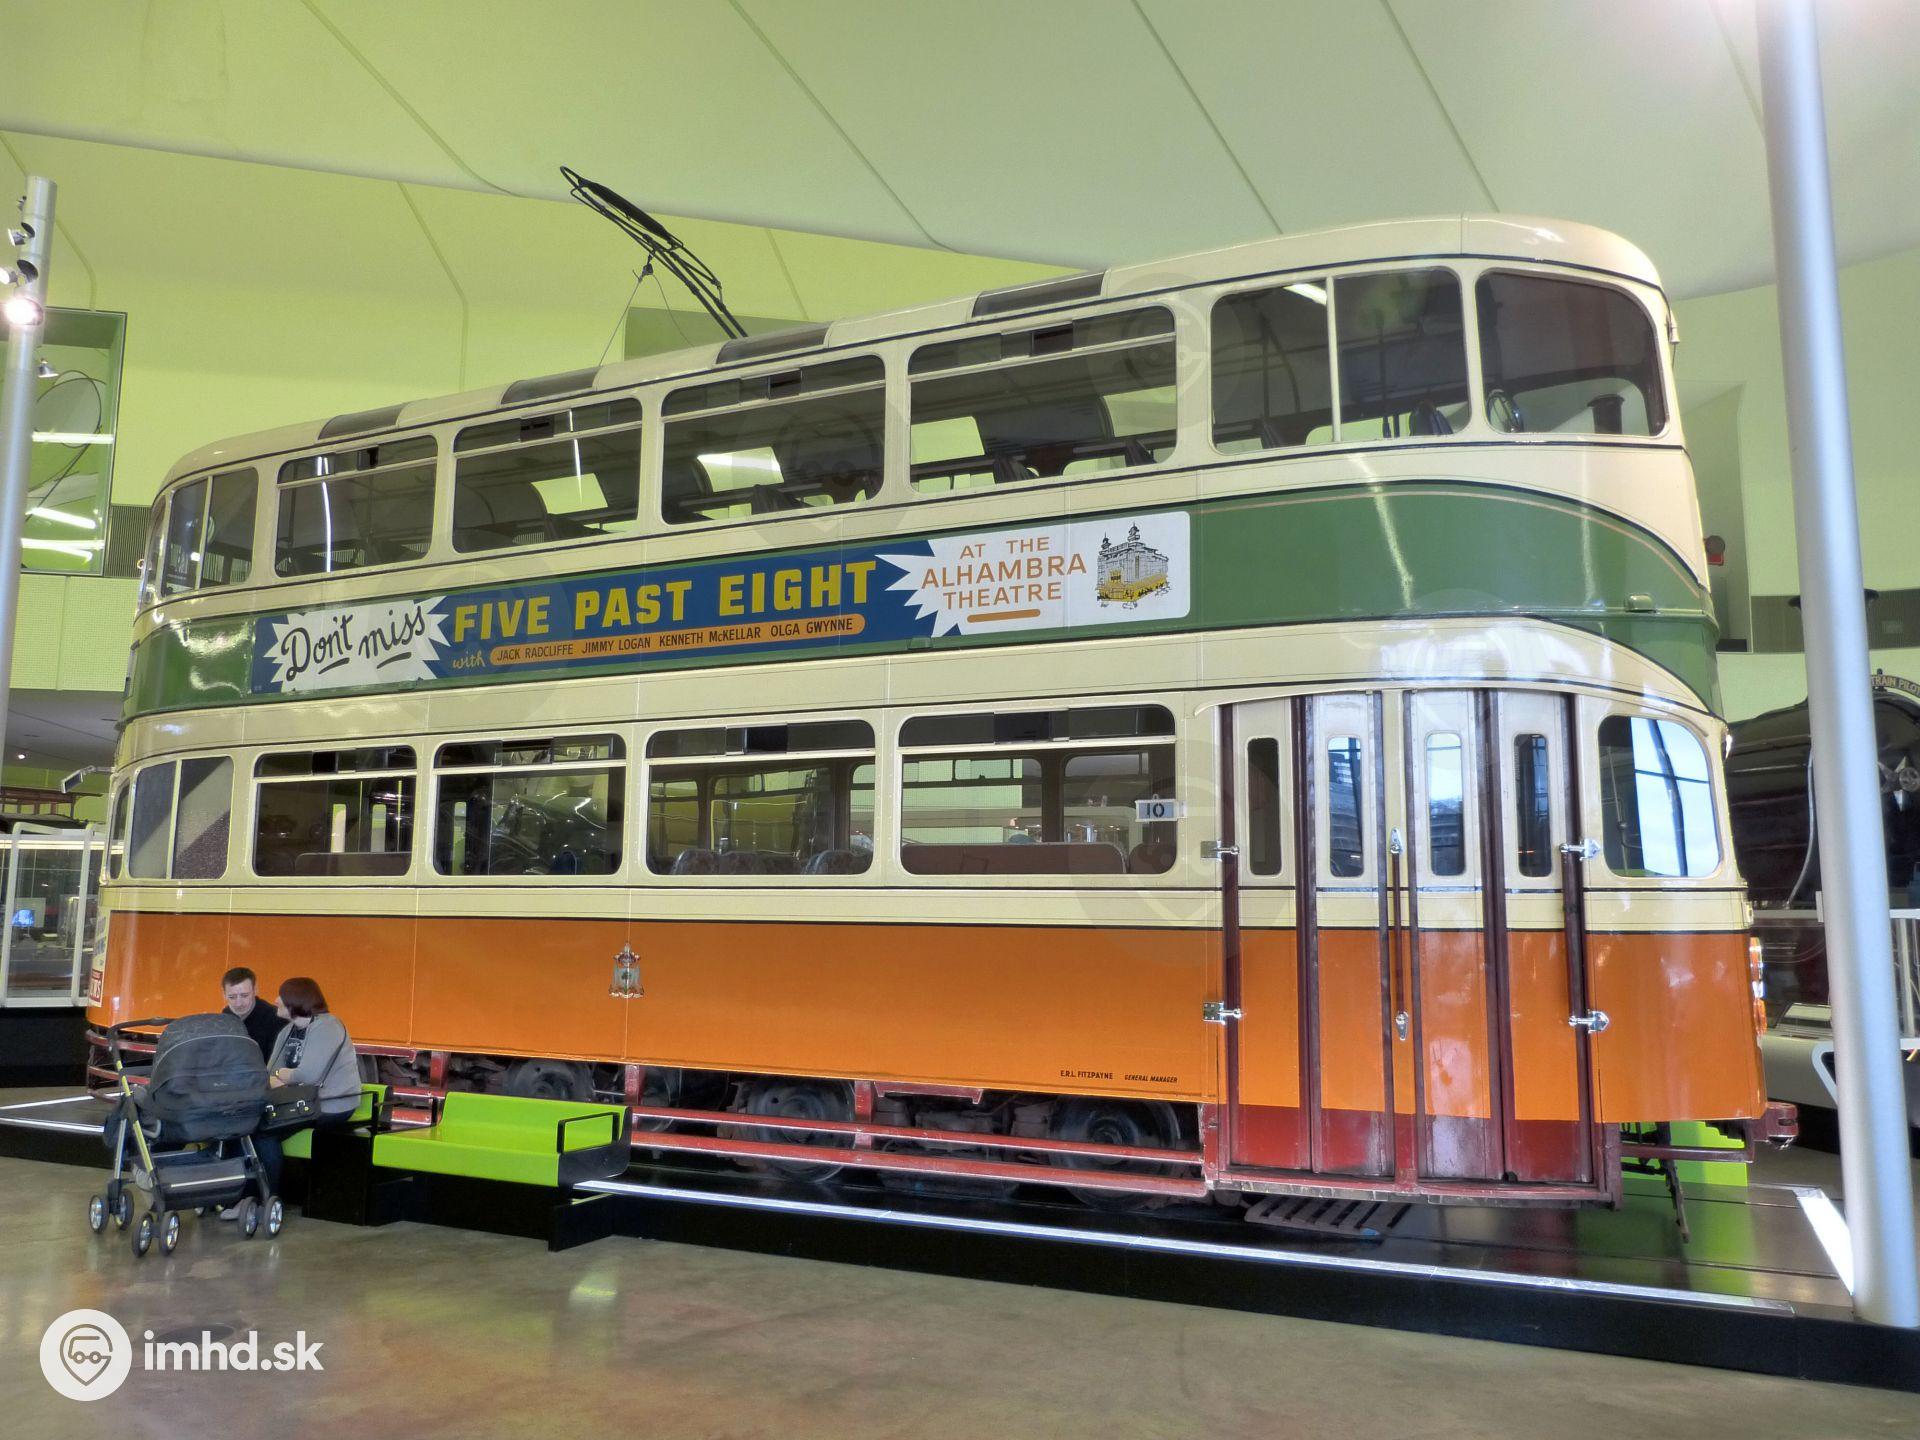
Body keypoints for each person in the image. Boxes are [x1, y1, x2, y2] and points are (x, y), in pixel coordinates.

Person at [226, 976, 360, 1212]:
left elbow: (309, 1074)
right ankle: (243, 1197)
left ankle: (266, 1200)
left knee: (264, 1133)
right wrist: (286, 1075)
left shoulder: (328, 1027)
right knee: (244, 1127)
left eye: (282, 996)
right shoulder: (288, 1030)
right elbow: (269, 1073)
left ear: (296, 1001)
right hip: (299, 1101)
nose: (276, 1000)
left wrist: (284, 1075)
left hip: (331, 1105)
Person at [221, 966, 285, 1061]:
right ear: (224, 995)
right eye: (232, 997)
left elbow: (275, 1065)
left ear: (255, 990)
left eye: (244, 995)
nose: (239, 1003)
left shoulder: (275, 1018)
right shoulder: (225, 1015)